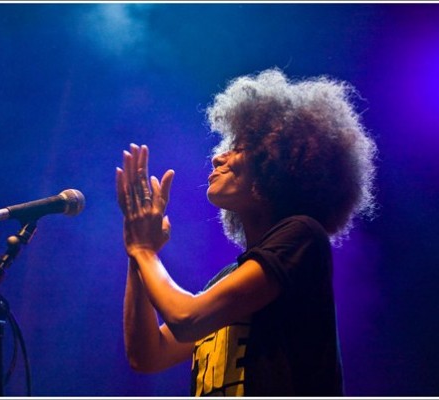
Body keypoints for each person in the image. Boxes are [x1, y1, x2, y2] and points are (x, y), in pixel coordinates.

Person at [116, 68, 377, 396]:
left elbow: (186, 317)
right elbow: (147, 355)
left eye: (238, 147)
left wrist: (143, 250)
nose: (217, 157)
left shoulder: (302, 237)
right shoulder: (226, 282)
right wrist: (138, 253)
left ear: (278, 161)